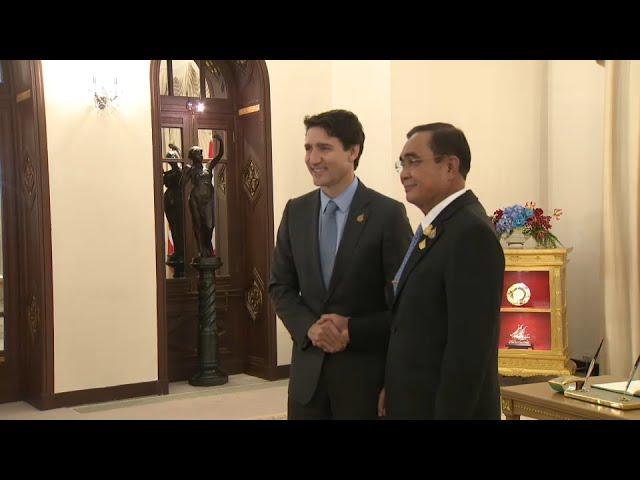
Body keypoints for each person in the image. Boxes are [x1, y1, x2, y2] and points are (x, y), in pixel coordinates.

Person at [269, 110, 412, 419]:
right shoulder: (296, 212)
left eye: (324, 148)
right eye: (308, 148)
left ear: (353, 151)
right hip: (308, 383)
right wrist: (309, 328)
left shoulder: (388, 215)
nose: (312, 158)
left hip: (365, 382)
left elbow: (406, 305)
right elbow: (280, 286)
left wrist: (353, 331)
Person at [381, 122, 505, 420]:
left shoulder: (470, 233)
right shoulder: (438, 227)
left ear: (450, 167)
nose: (404, 174)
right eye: (402, 163)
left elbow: (468, 351)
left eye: (414, 162)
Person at [181, 135, 223, 258]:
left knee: (210, 225)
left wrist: (220, 141)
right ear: (193, 156)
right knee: (198, 224)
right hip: (195, 199)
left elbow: (219, 155)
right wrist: (185, 172)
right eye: (199, 154)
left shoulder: (208, 166)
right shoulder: (191, 169)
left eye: (201, 153)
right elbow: (181, 185)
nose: (201, 156)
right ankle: (201, 249)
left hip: (208, 199)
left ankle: (207, 245)